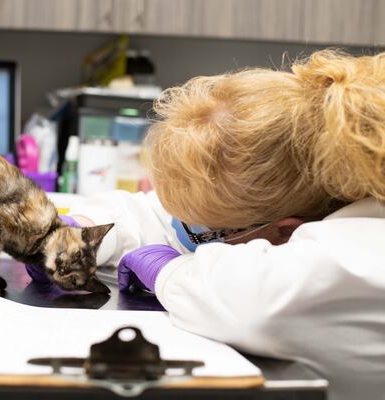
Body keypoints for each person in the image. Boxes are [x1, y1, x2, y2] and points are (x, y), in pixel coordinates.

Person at [28, 49, 385, 400]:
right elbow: (158, 216)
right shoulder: (299, 194)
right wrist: (82, 232)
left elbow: (257, 301)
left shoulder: (363, 251)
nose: (184, 232)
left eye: (197, 232)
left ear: (285, 231)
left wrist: (169, 270)